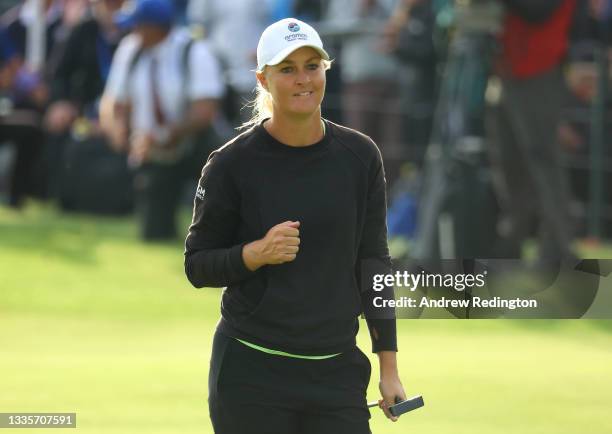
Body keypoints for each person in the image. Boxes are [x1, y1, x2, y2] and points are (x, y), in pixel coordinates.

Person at [185, 17, 406, 434]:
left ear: (326, 69)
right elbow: (197, 265)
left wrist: (389, 368)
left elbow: (374, 264)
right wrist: (255, 253)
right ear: (263, 79)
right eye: (287, 69)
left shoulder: (360, 157)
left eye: (312, 66)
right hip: (251, 372)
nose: (303, 79)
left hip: (336, 372)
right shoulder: (231, 165)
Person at [100, 0, 224, 240]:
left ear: (155, 27)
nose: (133, 31)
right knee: (154, 232)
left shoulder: (195, 51)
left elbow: (204, 111)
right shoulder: (130, 49)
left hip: (195, 145)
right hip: (152, 151)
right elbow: (115, 102)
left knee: (218, 194)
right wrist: (122, 136)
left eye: (138, 25)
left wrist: (166, 135)